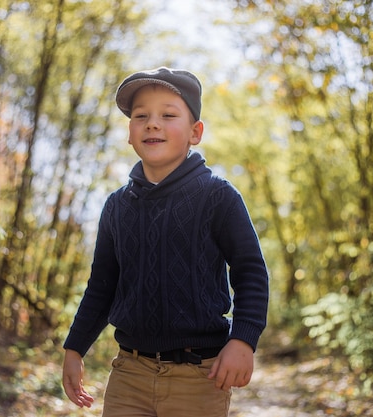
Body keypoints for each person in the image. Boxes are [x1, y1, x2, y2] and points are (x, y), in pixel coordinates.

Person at [62, 66, 269, 417]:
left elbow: (250, 272)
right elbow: (102, 286)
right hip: (130, 372)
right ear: (129, 133)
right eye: (141, 116)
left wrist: (243, 339)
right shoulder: (117, 206)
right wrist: (74, 348)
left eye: (168, 115)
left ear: (195, 132)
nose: (152, 123)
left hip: (200, 376)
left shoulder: (217, 197)